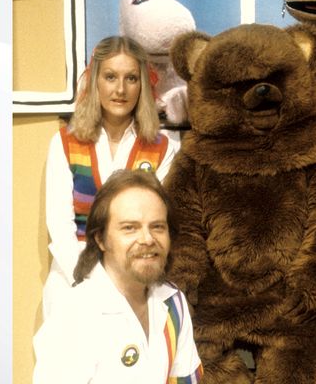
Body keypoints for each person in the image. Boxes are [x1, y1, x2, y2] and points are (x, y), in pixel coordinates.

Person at [43, 36, 180, 318]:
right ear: (94, 82)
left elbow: (159, 226)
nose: (120, 89)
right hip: (75, 278)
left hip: (138, 278)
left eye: (131, 78)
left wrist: (127, 279)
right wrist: (93, 280)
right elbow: (59, 225)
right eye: (110, 77)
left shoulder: (164, 148)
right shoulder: (65, 143)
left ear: (143, 85)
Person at [33, 169, 203, 383]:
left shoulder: (173, 302)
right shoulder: (74, 313)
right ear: (101, 240)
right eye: (130, 228)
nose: (147, 238)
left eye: (158, 226)